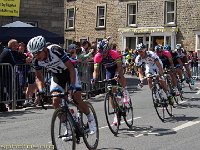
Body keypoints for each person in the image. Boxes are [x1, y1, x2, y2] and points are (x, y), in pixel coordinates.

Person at [27, 36, 97, 140]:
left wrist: (72, 86)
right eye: (34, 54)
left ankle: (91, 119)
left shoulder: (55, 50)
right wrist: (41, 90)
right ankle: (68, 128)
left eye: (38, 53)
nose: (36, 56)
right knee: (55, 101)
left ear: (44, 49)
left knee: (76, 97)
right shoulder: (36, 61)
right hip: (57, 76)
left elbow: (71, 68)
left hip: (70, 72)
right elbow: (39, 77)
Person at [92, 38, 129, 125]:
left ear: (108, 50)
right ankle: (116, 112)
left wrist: (117, 74)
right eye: (101, 53)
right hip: (109, 69)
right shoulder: (97, 56)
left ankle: (125, 90)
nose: (102, 55)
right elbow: (95, 71)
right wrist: (94, 79)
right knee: (111, 90)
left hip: (118, 67)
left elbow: (119, 67)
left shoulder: (114, 53)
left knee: (120, 76)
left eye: (104, 52)